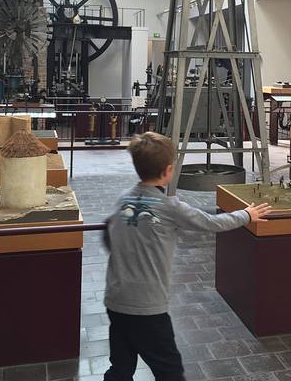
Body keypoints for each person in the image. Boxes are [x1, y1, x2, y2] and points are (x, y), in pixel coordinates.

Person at [103, 132, 271, 381]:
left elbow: (109, 236)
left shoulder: (122, 199)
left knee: (120, 368)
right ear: (169, 170)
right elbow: (211, 222)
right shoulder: (169, 207)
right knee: (170, 372)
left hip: (116, 300)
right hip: (147, 307)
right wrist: (247, 214)